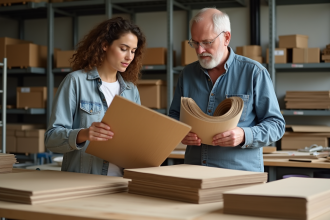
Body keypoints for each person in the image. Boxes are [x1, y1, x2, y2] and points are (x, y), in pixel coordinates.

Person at [169, 8, 285, 172]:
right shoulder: (187, 74)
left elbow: (277, 125)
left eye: (207, 42)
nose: (200, 50)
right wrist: (180, 132)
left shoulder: (254, 73)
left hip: (239, 176)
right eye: (195, 43)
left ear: (226, 38)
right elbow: (174, 116)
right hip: (194, 172)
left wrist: (244, 135)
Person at [45, 17, 146, 176]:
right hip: (84, 181)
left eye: (133, 51)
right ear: (105, 45)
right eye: (124, 48)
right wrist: (83, 134)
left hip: (121, 182)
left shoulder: (131, 90)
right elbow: (51, 140)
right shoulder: (75, 82)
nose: (129, 57)